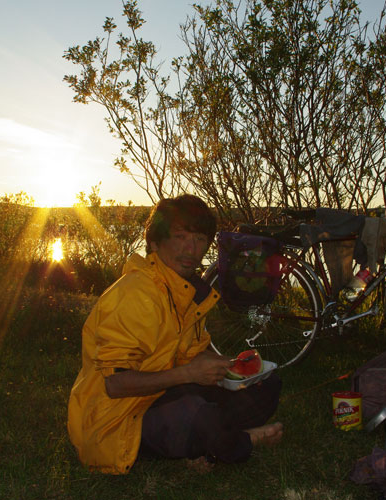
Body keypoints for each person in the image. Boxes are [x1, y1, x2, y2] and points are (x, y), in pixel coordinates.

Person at [67, 194, 283, 474]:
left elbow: (191, 355)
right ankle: (241, 441)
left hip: (160, 394)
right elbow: (115, 384)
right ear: (155, 243)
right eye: (180, 237)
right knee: (198, 415)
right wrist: (189, 374)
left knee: (265, 386)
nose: (191, 249)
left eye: (200, 240)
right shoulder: (135, 294)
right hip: (116, 418)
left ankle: (207, 442)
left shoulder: (186, 291)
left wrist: (231, 366)